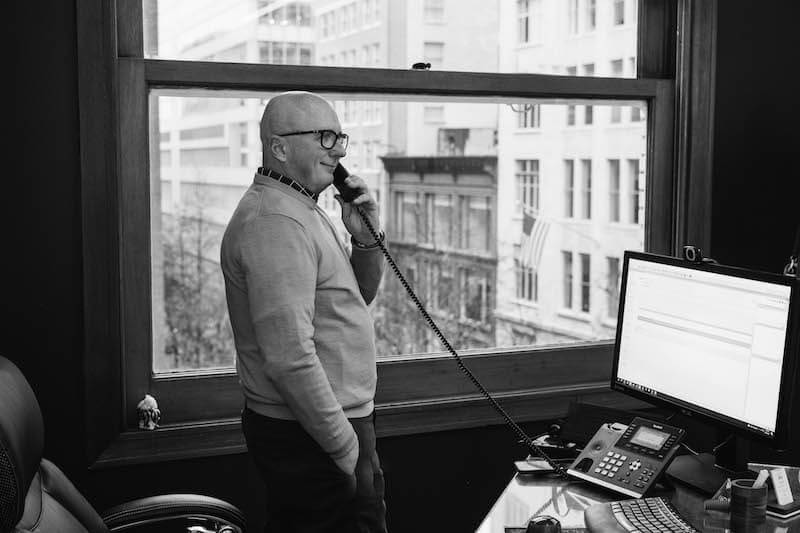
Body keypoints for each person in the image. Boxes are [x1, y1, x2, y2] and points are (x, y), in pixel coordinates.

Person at [220, 91, 387, 533]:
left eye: (340, 138)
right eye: (325, 137)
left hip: (330, 424)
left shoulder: (300, 207)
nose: (339, 151)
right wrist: (346, 449)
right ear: (280, 148)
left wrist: (365, 236)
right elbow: (289, 356)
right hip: (313, 434)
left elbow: (355, 298)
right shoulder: (275, 222)